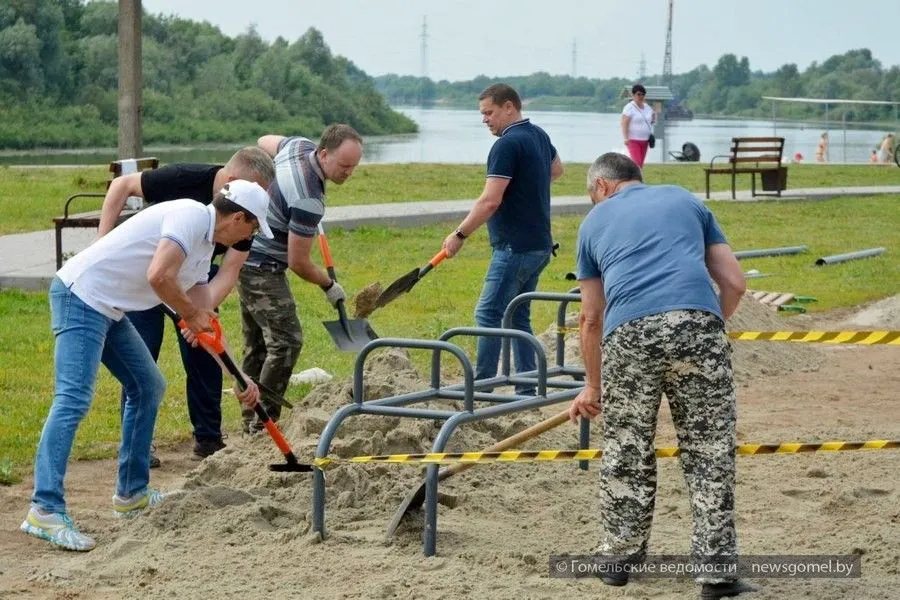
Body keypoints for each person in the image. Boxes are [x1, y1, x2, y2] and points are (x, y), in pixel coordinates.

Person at [21, 180, 269, 552]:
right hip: (81, 296)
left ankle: (132, 494)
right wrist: (189, 314)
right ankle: (45, 508)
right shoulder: (188, 216)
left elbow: (206, 319)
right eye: (254, 228)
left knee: (148, 386)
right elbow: (159, 276)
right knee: (73, 398)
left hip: (110, 308)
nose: (252, 237)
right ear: (238, 218)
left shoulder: (204, 248)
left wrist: (237, 374)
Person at [568, 152, 756, 600]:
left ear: (602, 187)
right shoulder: (684, 200)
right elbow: (735, 283)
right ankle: (716, 573)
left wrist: (593, 385)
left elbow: (591, 318)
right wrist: (709, 325)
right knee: (710, 450)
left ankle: (618, 560)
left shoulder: (593, 224)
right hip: (698, 325)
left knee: (627, 448)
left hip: (630, 333)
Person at [96, 147, 275, 462]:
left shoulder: (246, 218)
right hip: (149, 274)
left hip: (195, 278)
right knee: (142, 355)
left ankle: (208, 439)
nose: (254, 214)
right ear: (233, 183)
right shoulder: (184, 181)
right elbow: (120, 186)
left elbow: (229, 271)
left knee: (205, 350)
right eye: (252, 194)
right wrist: (101, 243)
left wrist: (198, 317)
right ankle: (137, 442)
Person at [238, 124, 363, 433]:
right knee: (286, 341)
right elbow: (298, 261)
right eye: (344, 165)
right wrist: (329, 285)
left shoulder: (296, 147)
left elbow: (263, 140)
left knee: (258, 345)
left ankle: (249, 421)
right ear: (323, 153)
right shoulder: (309, 199)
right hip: (261, 265)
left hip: (241, 253)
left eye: (354, 166)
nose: (349, 173)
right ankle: (262, 424)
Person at [442, 83, 563, 395]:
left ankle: (480, 388)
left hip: (514, 246)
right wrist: (527, 184)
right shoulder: (538, 135)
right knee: (517, 316)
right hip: (540, 243)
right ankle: (528, 387)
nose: (485, 120)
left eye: (489, 112)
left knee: (489, 314)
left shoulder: (507, 145)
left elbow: (489, 201)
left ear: (509, 107)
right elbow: (557, 169)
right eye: (483, 114)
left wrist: (459, 235)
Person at [621, 84, 656, 168]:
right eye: (639, 94)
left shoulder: (647, 107)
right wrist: (625, 138)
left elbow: (651, 121)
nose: (641, 96)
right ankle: (635, 180)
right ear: (633, 95)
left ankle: (638, 180)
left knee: (641, 164)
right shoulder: (629, 107)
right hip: (633, 140)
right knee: (637, 163)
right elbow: (624, 123)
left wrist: (653, 117)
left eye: (643, 94)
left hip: (645, 140)